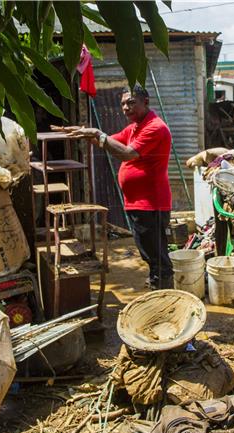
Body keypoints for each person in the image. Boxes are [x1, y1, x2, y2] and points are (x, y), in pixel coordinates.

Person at [69, 85, 174, 290]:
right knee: (149, 251)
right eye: (123, 104)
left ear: (146, 102)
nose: (126, 107)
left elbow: (126, 153)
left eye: (131, 102)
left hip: (151, 203)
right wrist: (83, 134)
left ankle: (163, 292)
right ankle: (158, 284)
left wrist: (98, 134)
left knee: (156, 254)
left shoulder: (154, 127)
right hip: (139, 203)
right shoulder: (135, 127)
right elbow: (110, 141)